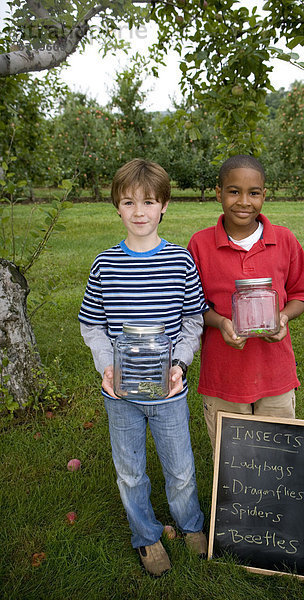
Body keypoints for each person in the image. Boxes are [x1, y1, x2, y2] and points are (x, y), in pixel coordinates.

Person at [79, 158, 208, 577]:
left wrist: (180, 364)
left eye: (149, 202)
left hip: (168, 390)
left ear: (164, 205)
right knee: (130, 472)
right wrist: (106, 365)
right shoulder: (104, 265)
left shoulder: (180, 262)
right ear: (117, 206)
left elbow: (193, 320)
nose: (139, 212)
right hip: (121, 394)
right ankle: (147, 537)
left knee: (181, 468)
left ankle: (190, 525)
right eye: (129, 202)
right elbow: (92, 323)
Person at [187, 155, 304, 453]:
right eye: (233, 191)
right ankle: (237, 502)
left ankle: (277, 501)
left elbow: (301, 294)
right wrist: (221, 323)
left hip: (275, 374)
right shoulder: (200, 245)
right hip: (224, 376)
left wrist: (282, 318)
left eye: (253, 193)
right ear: (219, 193)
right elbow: (192, 305)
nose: (244, 201)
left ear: (264, 195)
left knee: (277, 455)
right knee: (234, 458)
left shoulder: (284, 240)